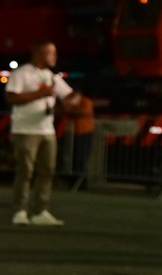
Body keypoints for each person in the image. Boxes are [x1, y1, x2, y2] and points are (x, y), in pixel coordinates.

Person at [7, 40, 72, 226]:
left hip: (47, 129)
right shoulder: (22, 73)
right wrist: (40, 94)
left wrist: (75, 104)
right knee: (25, 170)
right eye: (50, 53)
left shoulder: (52, 77)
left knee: (47, 170)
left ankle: (40, 210)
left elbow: (68, 96)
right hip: (25, 130)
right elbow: (12, 97)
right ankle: (20, 210)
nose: (54, 57)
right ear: (38, 53)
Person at [60, 88, 96, 191]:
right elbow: (64, 109)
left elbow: (84, 112)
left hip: (85, 133)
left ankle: (81, 183)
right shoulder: (70, 100)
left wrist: (71, 109)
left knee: (81, 158)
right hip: (72, 134)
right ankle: (74, 181)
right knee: (72, 158)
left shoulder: (85, 101)